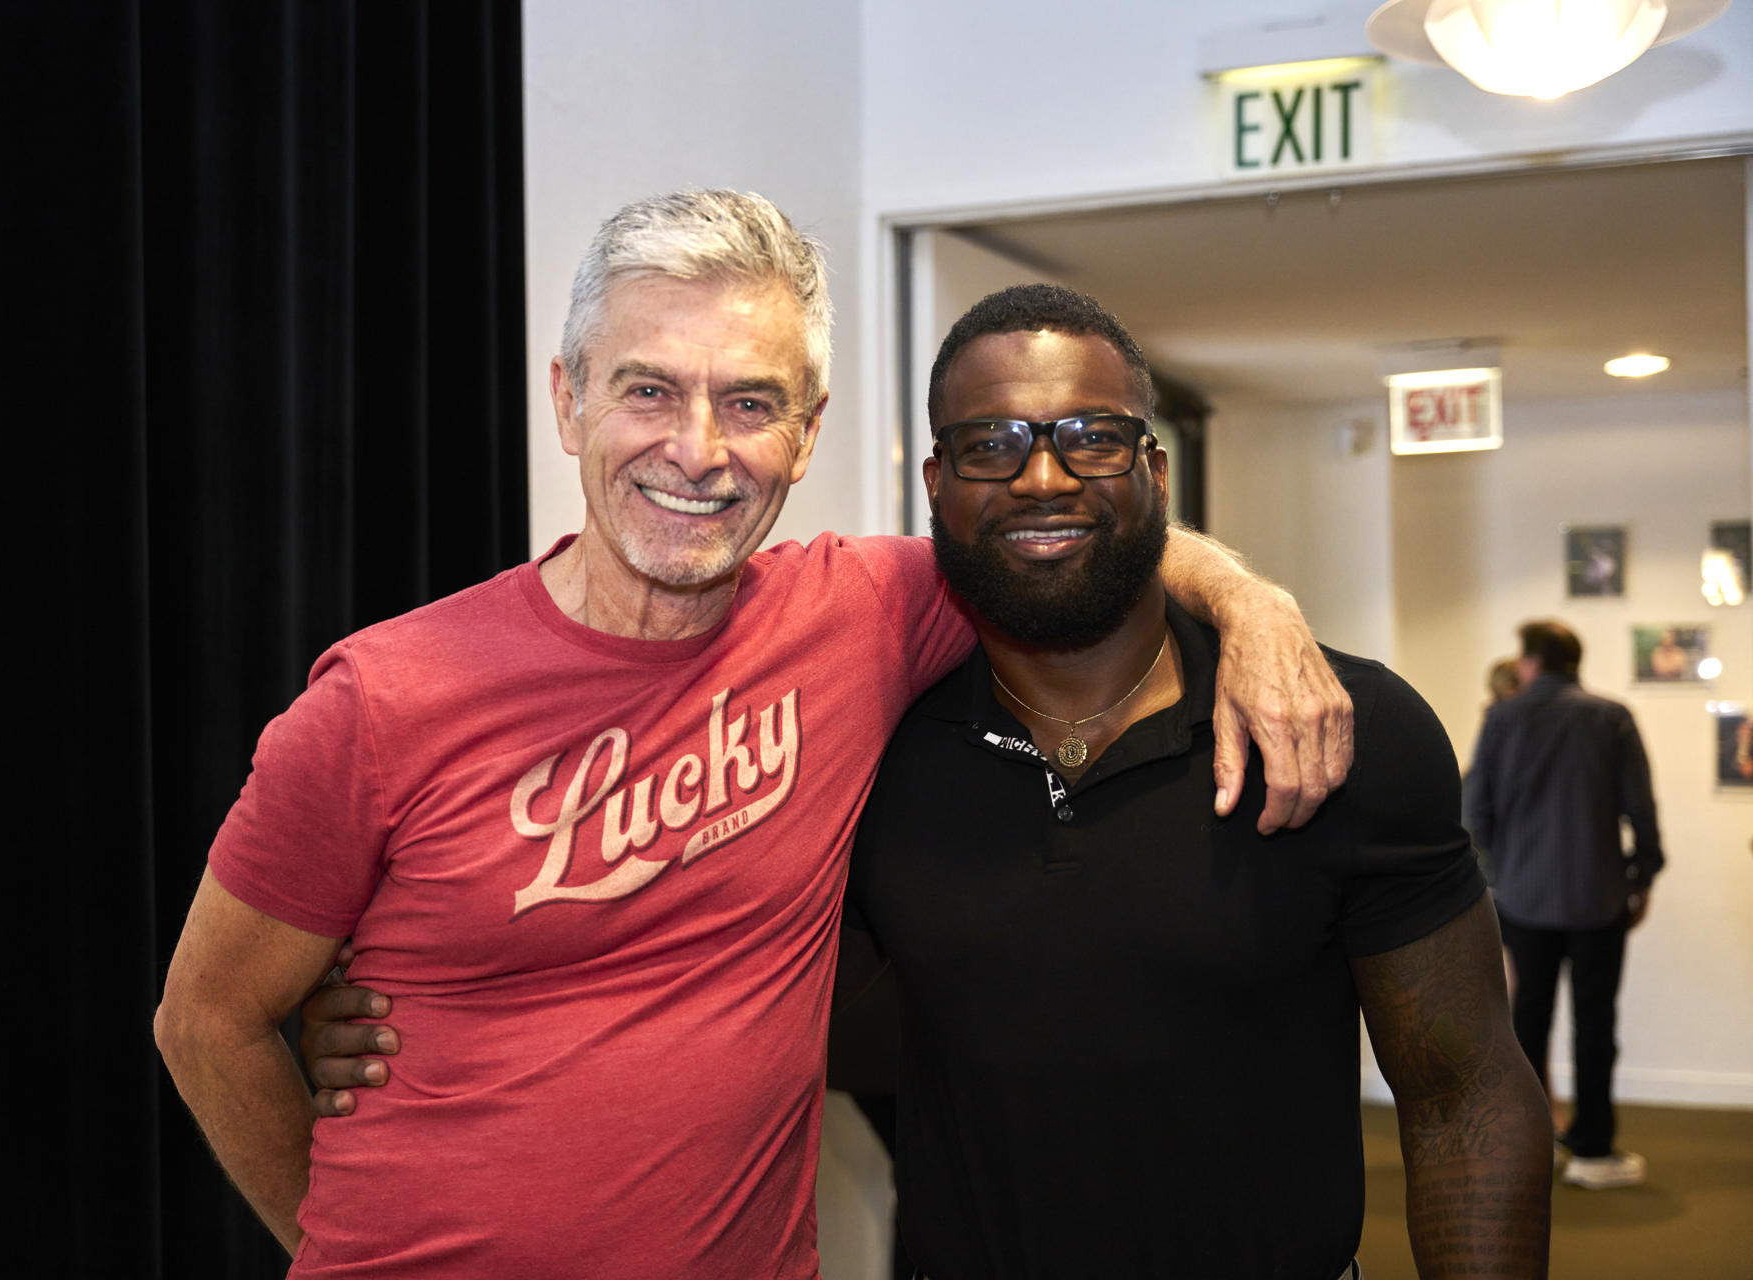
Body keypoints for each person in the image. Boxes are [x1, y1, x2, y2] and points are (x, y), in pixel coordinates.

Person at [154, 192, 1352, 1277]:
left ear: (808, 431)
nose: (699, 449)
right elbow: (207, 1017)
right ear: (568, 400)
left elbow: (1064, 538)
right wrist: (338, 1246)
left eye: (749, 403)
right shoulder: (381, 697)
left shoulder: (860, 614)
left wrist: (1254, 604)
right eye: (648, 389)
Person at [307, 283, 1551, 1278]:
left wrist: (1250, 599)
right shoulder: (871, 737)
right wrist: (423, 1017)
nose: (1045, 476)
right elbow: (704, 972)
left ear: (1156, 474)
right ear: (937, 488)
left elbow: (1464, 1090)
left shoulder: (1336, 728)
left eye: (1092, 437)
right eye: (993, 443)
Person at [1466, 618, 1665, 1191]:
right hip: (1599, 899)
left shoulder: (1502, 718)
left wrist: (1502, 873)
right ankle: (1593, 1150)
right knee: (1596, 1023)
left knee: (1528, 1021)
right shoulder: (1612, 716)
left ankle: (1534, 1144)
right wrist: (1642, 877)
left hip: (1523, 900)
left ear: (1531, 662)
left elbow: (1474, 810)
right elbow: (1642, 812)